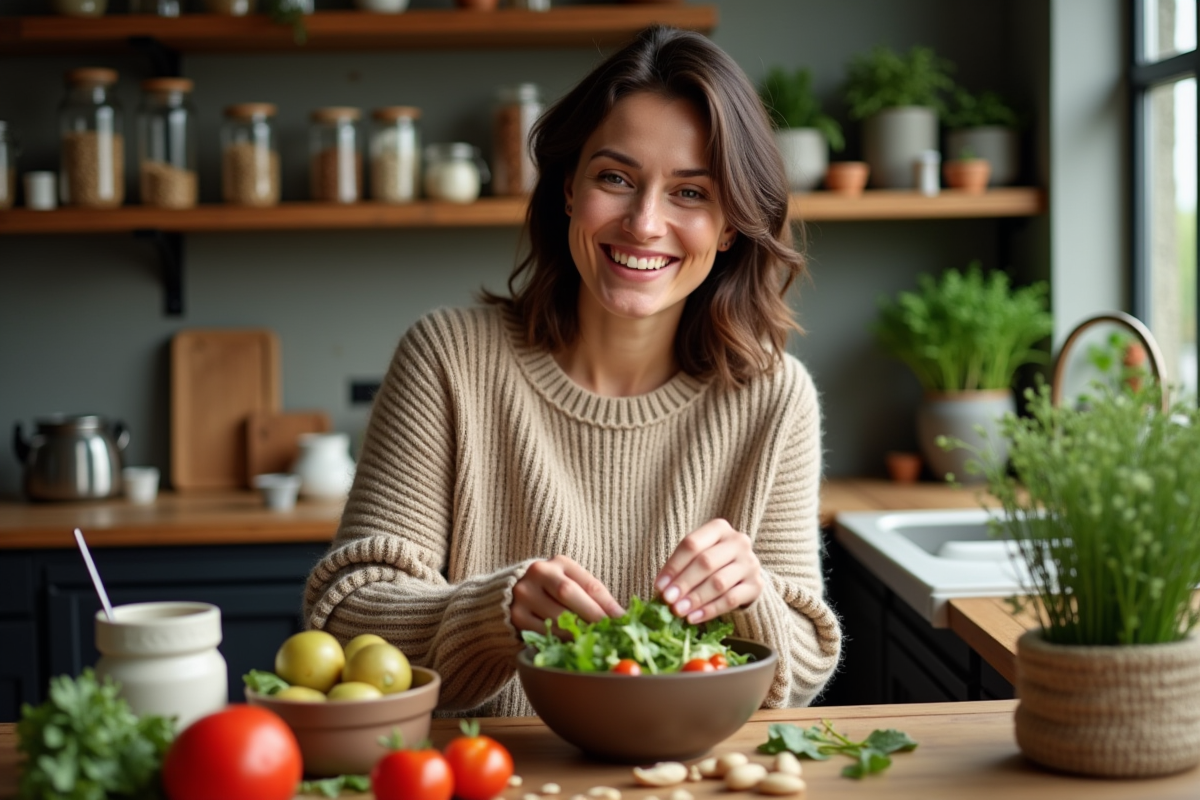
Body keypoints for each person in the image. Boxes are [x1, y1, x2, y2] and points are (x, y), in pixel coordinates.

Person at [303, 24, 842, 717]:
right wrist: (493, 613)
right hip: (487, 776)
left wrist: (753, 596)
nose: (644, 223)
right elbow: (343, 615)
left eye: (690, 193)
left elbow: (799, 675)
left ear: (731, 225)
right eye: (616, 179)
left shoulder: (775, 398)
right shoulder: (447, 360)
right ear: (567, 189)